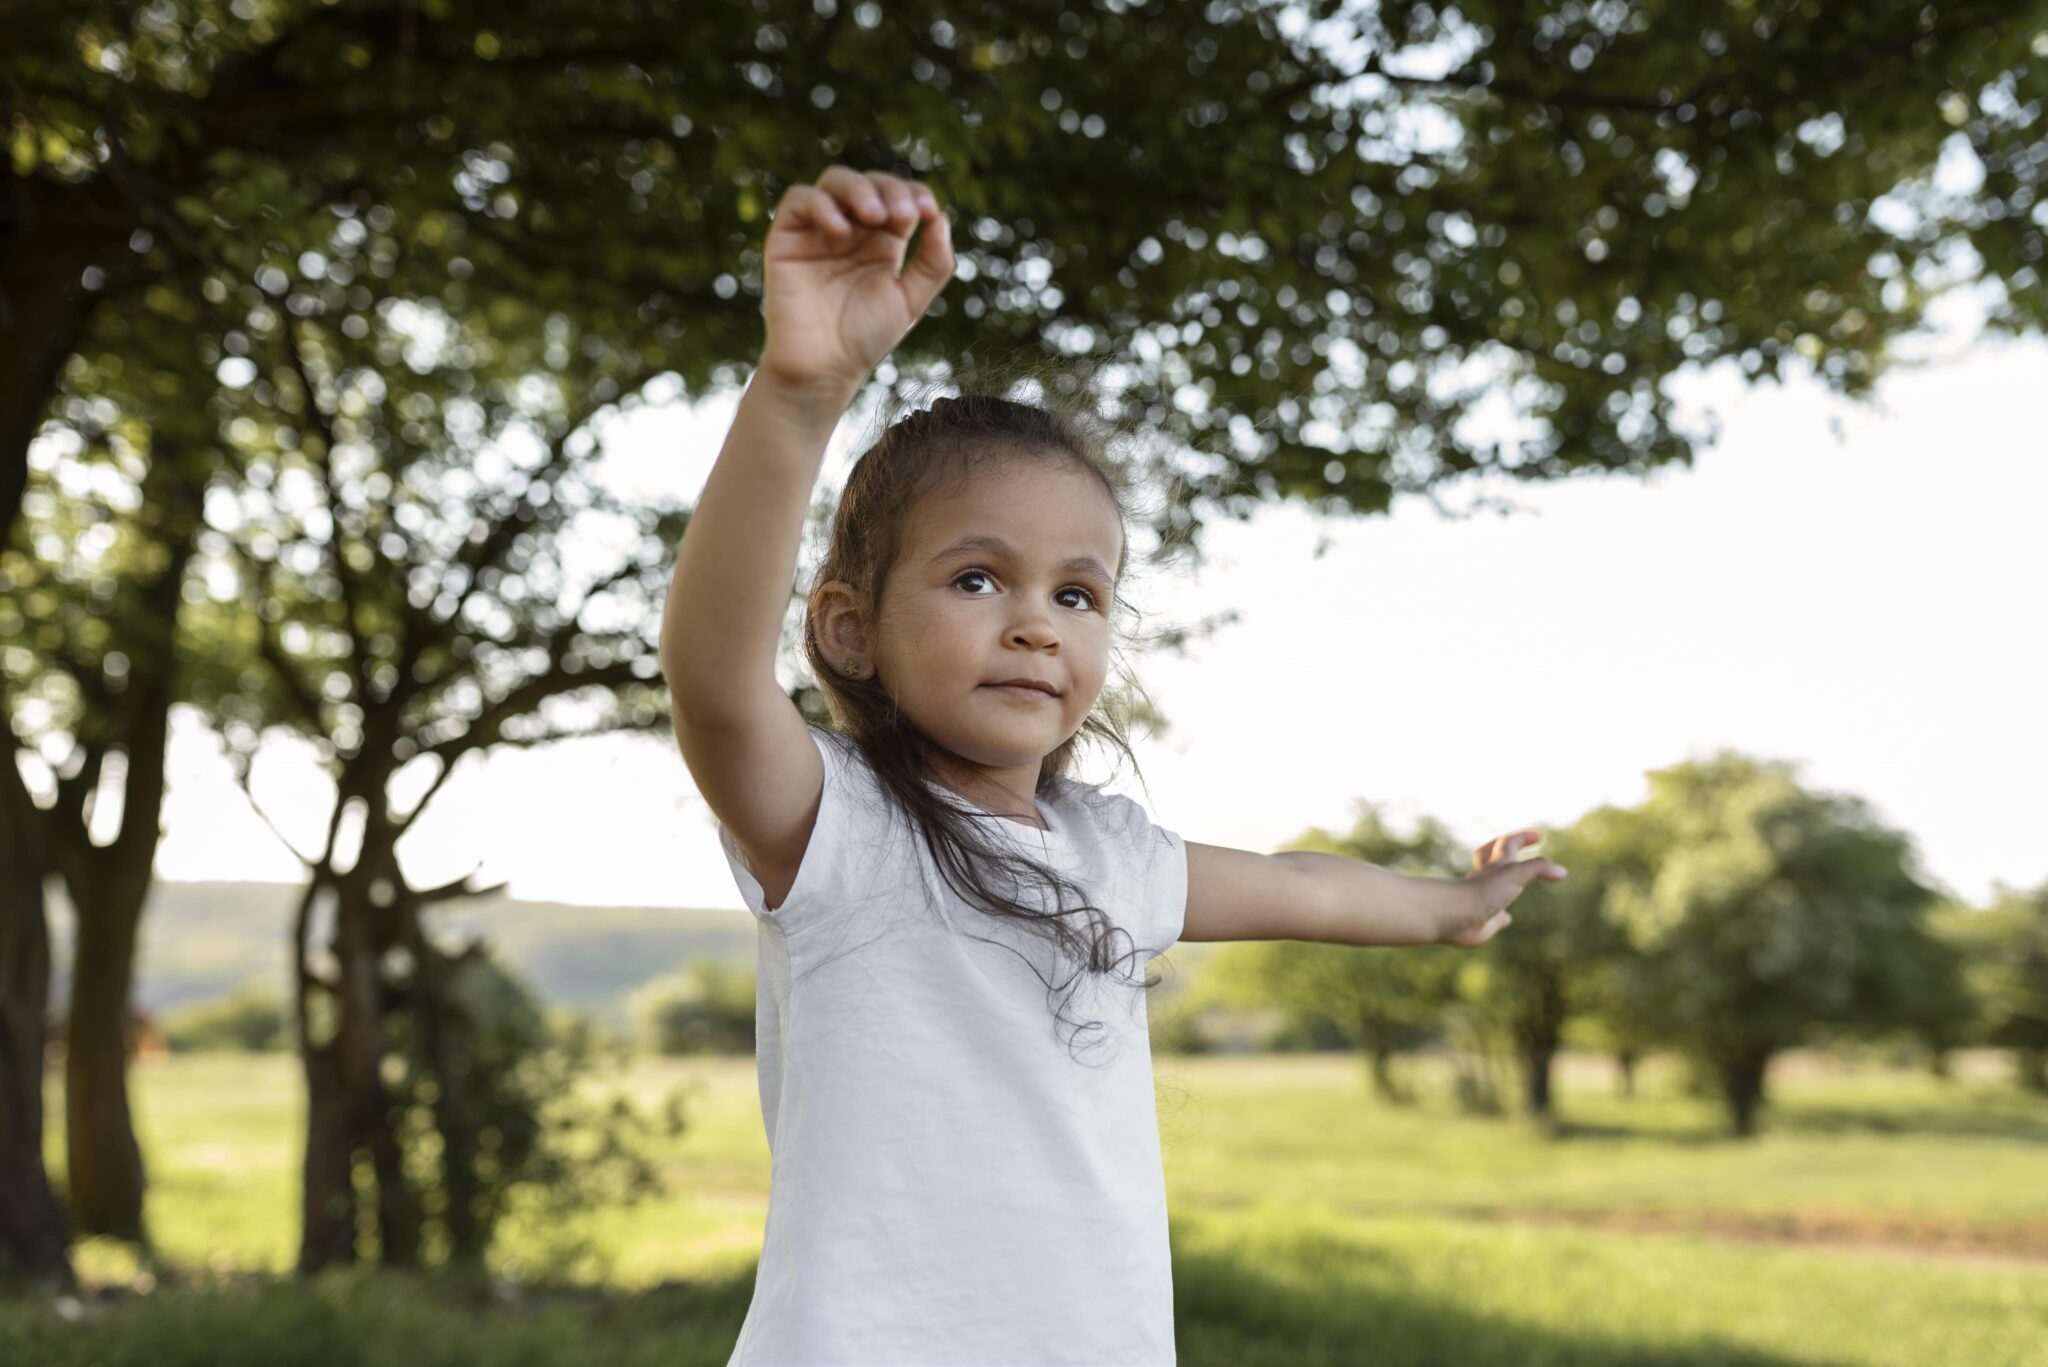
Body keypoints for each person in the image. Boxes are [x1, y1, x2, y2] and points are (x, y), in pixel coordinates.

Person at [660, 165, 1567, 1367]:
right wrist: (798, 392)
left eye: (1075, 592)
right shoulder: (838, 828)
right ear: (846, 627)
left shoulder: (1110, 854)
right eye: (976, 578)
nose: (1035, 620)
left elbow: (1302, 886)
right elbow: (713, 677)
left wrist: (1452, 908)